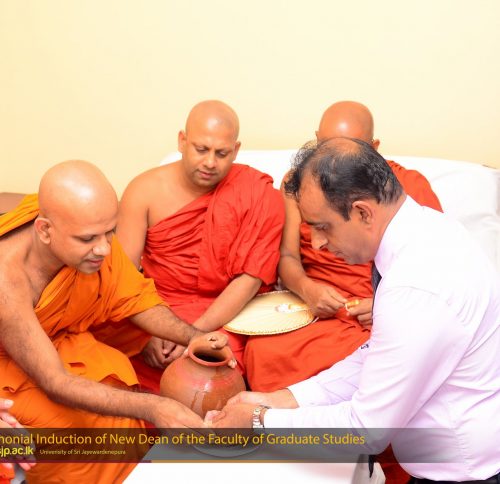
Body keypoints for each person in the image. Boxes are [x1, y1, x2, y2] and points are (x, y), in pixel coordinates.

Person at [208, 138, 500, 483]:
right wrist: (282, 399)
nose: (316, 243)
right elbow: (377, 356)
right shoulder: (426, 230)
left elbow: (365, 431)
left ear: (363, 212)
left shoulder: (415, 286)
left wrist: (258, 422)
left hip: (464, 474)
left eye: (322, 226)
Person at [0, 161, 232, 484]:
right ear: (45, 230)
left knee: (117, 384)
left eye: (110, 231)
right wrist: (153, 408)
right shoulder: (7, 282)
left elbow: (131, 295)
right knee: (73, 429)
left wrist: (194, 336)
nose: (105, 249)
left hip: (53, 343)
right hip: (10, 372)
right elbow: (56, 383)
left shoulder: (84, 229)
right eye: (88, 239)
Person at [244, 101, 443, 392]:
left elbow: (435, 267)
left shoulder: (404, 186)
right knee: (263, 352)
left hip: (378, 311)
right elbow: (287, 255)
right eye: (325, 148)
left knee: (389, 356)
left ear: (374, 148)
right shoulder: (299, 185)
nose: (334, 164)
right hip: (319, 311)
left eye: (349, 151)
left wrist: (383, 304)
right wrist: (308, 289)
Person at [116, 100, 285, 391]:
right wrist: (147, 332)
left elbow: (249, 281)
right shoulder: (144, 190)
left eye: (221, 153)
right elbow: (122, 278)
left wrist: (193, 335)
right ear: (182, 141)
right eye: (201, 149)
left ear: (236, 150)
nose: (210, 162)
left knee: (208, 376)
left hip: (226, 315)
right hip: (157, 308)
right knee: (109, 370)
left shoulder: (258, 193)